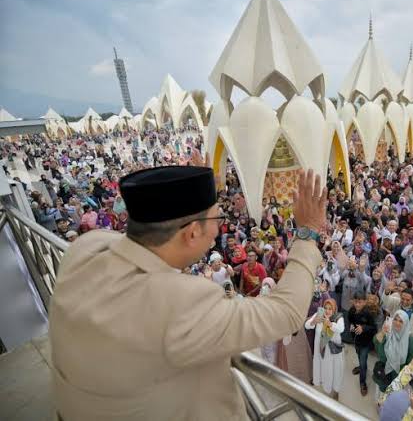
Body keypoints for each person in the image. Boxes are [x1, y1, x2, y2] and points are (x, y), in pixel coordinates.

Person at [49, 167, 328, 420]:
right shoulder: (182, 302)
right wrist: (308, 234)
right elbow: (287, 312)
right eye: (216, 217)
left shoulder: (84, 249)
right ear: (192, 233)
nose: (219, 227)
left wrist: (187, 186)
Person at [304, 298, 345, 400]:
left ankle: (335, 391)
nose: (327, 311)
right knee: (323, 369)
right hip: (321, 350)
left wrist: (330, 324)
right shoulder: (319, 314)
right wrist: (314, 321)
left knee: (334, 371)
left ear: (334, 309)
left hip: (332, 352)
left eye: (330, 309)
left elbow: (341, 329)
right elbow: (307, 325)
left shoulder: (338, 317)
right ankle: (323, 384)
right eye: (326, 308)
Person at [373, 309, 413, 400]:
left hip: (398, 376)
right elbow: (375, 342)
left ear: (405, 323)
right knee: (382, 395)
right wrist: (382, 332)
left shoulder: (409, 340)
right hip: (384, 372)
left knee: (393, 398)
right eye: (395, 319)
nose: (397, 323)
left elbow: (410, 362)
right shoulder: (388, 332)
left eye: (401, 321)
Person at [347, 291, 377, 396]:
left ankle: (362, 383)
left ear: (364, 302)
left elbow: (374, 328)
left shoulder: (368, 313)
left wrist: (363, 328)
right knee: (359, 356)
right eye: (355, 302)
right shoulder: (351, 311)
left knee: (363, 361)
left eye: (360, 302)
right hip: (356, 340)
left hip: (366, 342)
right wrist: (351, 325)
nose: (357, 304)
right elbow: (350, 320)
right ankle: (360, 367)